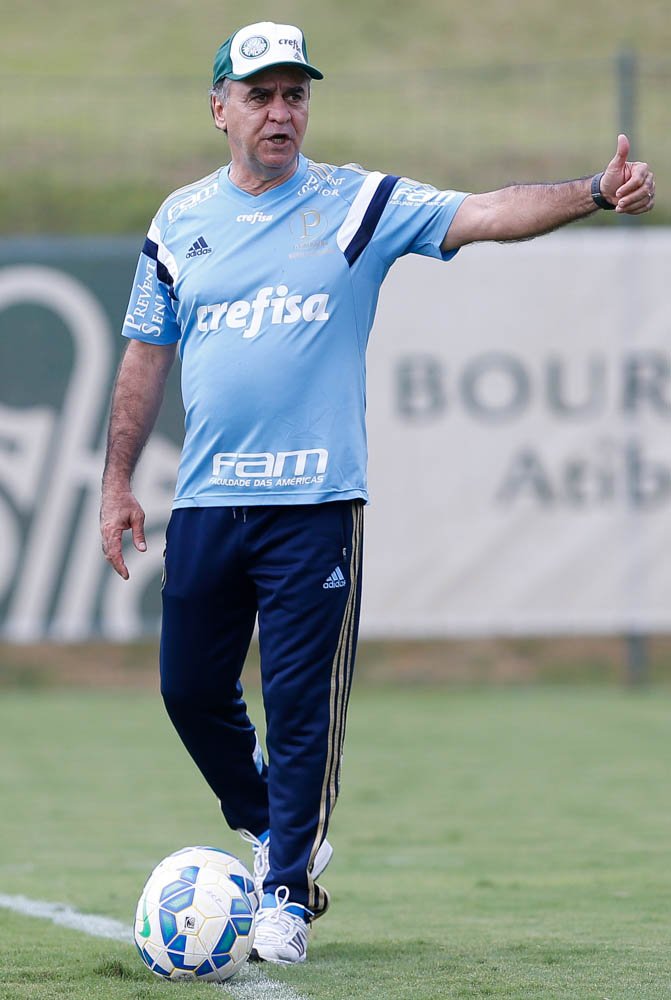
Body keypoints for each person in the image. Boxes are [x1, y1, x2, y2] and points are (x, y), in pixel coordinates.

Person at [100, 19, 655, 966]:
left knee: (302, 705)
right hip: (206, 502)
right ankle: (271, 827)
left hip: (316, 505)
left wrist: (594, 192)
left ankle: (285, 893)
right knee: (188, 689)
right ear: (220, 108)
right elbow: (146, 354)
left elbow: (486, 213)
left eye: (296, 94)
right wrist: (116, 479)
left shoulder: (356, 203)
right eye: (262, 94)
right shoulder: (176, 220)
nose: (281, 112)